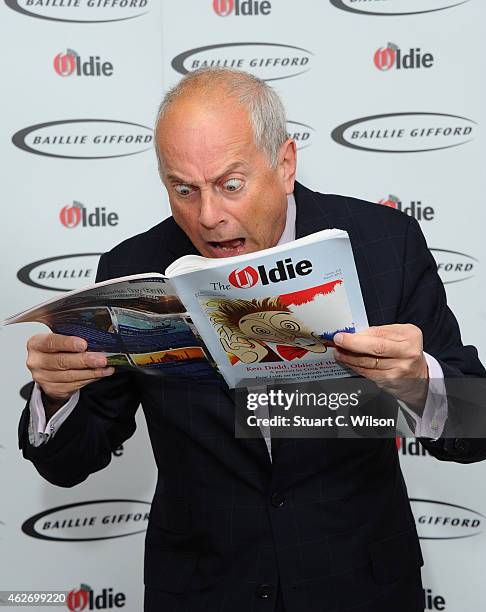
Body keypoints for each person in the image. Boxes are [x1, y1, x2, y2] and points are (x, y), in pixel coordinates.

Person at [20, 68, 486, 612]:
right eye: (183, 189)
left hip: (358, 585)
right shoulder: (133, 269)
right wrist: (56, 397)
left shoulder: (385, 245)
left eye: (231, 185)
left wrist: (417, 383)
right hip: (204, 591)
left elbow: (473, 431)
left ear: (284, 164)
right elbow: (70, 462)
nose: (209, 216)